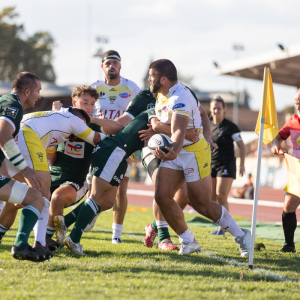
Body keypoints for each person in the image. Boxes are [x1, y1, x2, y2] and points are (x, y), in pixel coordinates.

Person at [148, 59, 251, 256]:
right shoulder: (162, 94)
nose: (149, 79)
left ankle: (241, 235)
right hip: (176, 150)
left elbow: (178, 131)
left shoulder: (180, 97)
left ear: (163, 79)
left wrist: (176, 150)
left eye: (151, 77)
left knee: (201, 204)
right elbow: (201, 113)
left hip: (193, 153)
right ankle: (188, 240)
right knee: (161, 196)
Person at [0, 104, 104, 254]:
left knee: (20, 195)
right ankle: (39, 242)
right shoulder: (73, 120)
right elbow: (99, 138)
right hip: (28, 137)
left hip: (11, 139)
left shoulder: (52, 118)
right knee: (42, 195)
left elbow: (50, 156)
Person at [45, 86, 123, 250]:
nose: (88, 106)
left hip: (75, 181)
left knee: (58, 197)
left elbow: (118, 128)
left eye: (92, 103)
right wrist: (54, 115)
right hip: (52, 175)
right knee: (23, 198)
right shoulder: (62, 120)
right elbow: (51, 160)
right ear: (74, 103)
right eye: (85, 102)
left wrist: (92, 119)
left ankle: (49, 240)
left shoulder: (93, 125)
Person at [90, 50, 141, 243]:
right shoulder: (94, 87)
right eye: (108, 63)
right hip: (99, 142)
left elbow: (144, 111)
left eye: (115, 63)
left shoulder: (131, 87)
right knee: (94, 185)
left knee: (121, 189)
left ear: (120, 66)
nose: (112, 66)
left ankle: (116, 235)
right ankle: (91, 213)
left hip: (125, 144)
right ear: (102, 66)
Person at [0, 72, 51, 262]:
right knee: (36, 198)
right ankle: (21, 245)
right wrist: (26, 170)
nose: (39, 96)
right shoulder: (13, 105)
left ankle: (21, 245)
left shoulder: (6, 101)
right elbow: (3, 134)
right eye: (38, 91)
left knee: (32, 197)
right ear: (27, 91)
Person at [209, 96, 246, 235]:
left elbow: (242, 146)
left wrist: (242, 164)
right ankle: (220, 224)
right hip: (211, 165)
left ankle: (223, 228)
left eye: (219, 108)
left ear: (224, 109)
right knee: (212, 198)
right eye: (214, 108)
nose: (216, 110)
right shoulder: (208, 125)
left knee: (221, 195)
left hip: (226, 164)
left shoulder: (230, 127)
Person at [271, 89, 300, 253]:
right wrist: (277, 144)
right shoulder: (293, 120)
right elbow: (279, 136)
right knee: (288, 205)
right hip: (297, 169)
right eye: (296, 103)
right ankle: (289, 245)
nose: (298, 106)